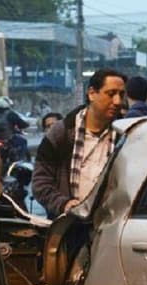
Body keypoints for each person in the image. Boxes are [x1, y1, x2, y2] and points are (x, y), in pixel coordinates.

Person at [31, 68, 126, 219]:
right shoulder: (61, 133)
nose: (117, 101)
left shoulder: (125, 135)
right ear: (92, 93)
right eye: (111, 94)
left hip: (110, 225)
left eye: (121, 94)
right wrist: (64, 204)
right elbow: (40, 183)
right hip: (70, 227)